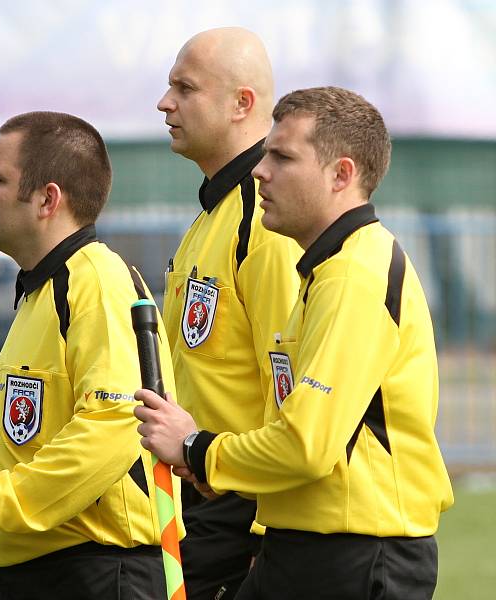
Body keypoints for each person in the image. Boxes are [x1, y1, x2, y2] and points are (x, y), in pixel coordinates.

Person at [135, 86, 454, 599]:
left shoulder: (354, 274)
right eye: (264, 156)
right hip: (311, 544)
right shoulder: (326, 269)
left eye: (282, 157)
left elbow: (306, 445)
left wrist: (197, 449)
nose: (260, 171)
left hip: (356, 552)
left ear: (341, 175)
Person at [0, 111, 182, 600]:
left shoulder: (96, 281)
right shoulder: (43, 289)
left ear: (48, 199)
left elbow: (113, 426)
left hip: (97, 575)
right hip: (32, 572)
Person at [156, 27, 302, 599]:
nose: (164, 103)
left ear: (242, 104)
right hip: (199, 493)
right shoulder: (215, 214)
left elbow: (290, 386)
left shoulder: (266, 223)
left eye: (183, 88)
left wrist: (266, 534)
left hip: (239, 507)